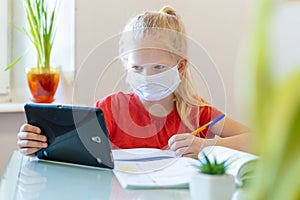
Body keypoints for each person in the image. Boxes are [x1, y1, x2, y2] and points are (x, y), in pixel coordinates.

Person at [17, 6, 251, 158]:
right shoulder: (109, 108)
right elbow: (69, 148)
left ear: (180, 67)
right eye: (137, 68)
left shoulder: (196, 111)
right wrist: (37, 143)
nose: (147, 77)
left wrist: (204, 146)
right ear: (126, 67)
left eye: (158, 67)